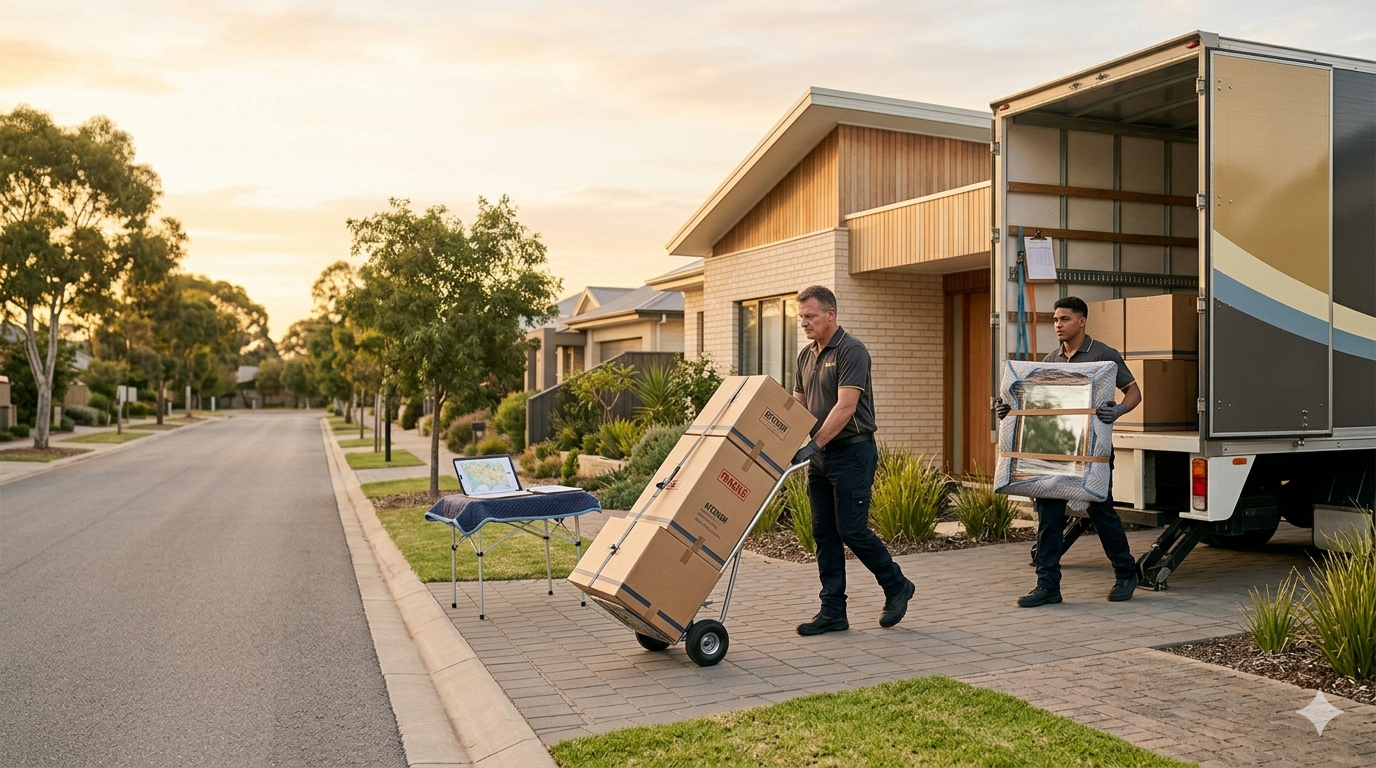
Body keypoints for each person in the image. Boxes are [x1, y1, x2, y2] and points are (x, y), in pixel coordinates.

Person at [996, 296, 1142, 607]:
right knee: (1049, 518)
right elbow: (1039, 404)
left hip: (1092, 452)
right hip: (1056, 450)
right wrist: (1008, 409)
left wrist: (1117, 411)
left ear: (1082, 321)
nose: (1058, 325)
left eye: (1064, 319)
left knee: (1102, 515)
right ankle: (1048, 585)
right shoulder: (1050, 361)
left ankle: (1126, 574)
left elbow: (1134, 391)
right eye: (1055, 320)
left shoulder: (1103, 355)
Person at [789, 285, 914, 636]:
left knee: (852, 529)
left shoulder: (851, 350)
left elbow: (845, 407)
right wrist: (777, 443)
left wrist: (812, 445)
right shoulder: (805, 356)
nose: (805, 322)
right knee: (824, 533)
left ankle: (896, 586)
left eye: (810, 315)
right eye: (801, 317)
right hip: (821, 456)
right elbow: (797, 405)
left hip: (852, 452)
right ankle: (832, 612)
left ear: (831, 313)